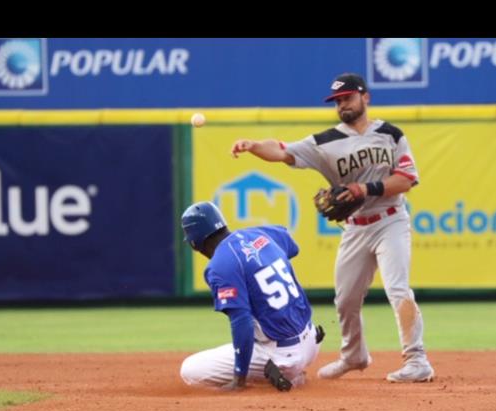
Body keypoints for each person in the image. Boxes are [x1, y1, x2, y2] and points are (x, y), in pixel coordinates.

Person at [230, 72, 434, 383]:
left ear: (365, 97)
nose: (342, 105)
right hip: (355, 228)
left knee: (397, 289)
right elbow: (283, 150)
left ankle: (417, 360)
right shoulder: (326, 142)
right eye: (337, 101)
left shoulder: (391, 134)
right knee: (346, 298)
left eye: (348, 98)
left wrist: (365, 190)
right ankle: (354, 356)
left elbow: (406, 180)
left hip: (391, 219)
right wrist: (254, 145)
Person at [179, 201, 324, 391]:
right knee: (261, 317)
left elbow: (241, 322)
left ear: (194, 242)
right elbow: (292, 246)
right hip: (312, 341)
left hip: (283, 356)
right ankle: (290, 370)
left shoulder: (219, 265)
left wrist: (239, 378)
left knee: (190, 370)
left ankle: (282, 377)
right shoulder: (259, 233)